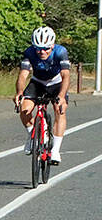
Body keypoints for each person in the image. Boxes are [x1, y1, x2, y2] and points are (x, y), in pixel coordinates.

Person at [15, 26, 70, 164]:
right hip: (38, 82)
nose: (42, 52)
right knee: (24, 108)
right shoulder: (29, 52)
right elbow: (23, 75)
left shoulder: (60, 52)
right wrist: (19, 93)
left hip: (57, 82)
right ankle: (32, 136)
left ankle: (56, 150)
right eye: (38, 48)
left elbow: (66, 76)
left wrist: (62, 96)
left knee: (59, 110)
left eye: (46, 48)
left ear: (52, 45)